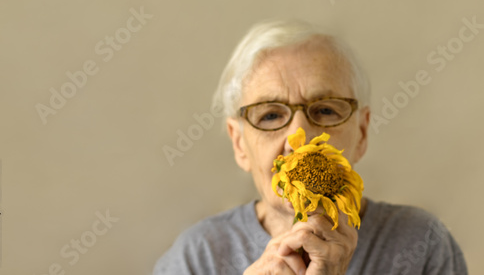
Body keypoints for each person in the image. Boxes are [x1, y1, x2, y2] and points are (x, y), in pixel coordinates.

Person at [153, 19, 468, 274]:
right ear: (239, 144)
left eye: (326, 111)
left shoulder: (422, 245)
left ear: (361, 133)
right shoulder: (196, 259)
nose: (298, 137)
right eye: (271, 115)